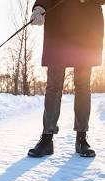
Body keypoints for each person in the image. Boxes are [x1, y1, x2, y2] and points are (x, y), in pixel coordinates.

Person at [28, 0, 105, 158]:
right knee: (53, 85)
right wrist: (39, 8)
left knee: (83, 85)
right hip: (59, 28)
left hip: (86, 30)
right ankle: (47, 138)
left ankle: (82, 138)